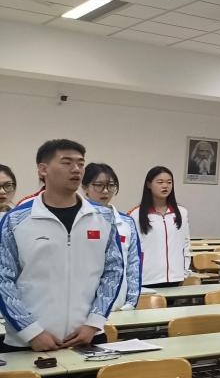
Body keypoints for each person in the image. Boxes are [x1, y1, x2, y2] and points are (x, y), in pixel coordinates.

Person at [0, 139, 121, 351]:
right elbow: (3, 279)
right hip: (27, 342)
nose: (76, 169)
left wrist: (94, 323)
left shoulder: (103, 218)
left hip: (87, 337)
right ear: (43, 170)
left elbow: (113, 271)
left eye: (81, 163)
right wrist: (31, 332)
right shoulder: (16, 220)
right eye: (66, 162)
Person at [83, 163, 141, 311]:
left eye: (111, 185)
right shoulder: (77, 218)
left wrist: (132, 301)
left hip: (118, 303)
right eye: (99, 185)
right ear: (85, 187)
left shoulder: (126, 221)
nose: (105, 191)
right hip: (84, 304)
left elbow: (133, 263)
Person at [129, 167, 190, 288]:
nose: (165, 186)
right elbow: (131, 248)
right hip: (147, 278)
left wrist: (185, 270)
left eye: (169, 182)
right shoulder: (135, 214)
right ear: (149, 184)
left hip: (175, 277)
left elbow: (186, 243)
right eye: (160, 182)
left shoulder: (182, 212)